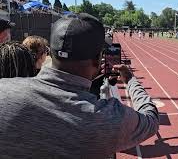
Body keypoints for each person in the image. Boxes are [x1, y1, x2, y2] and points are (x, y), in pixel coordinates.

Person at [0, 13, 159, 158]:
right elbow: (150, 120)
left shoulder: (4, 89)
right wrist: (130, 80)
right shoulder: (106, 118)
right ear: (98, 59)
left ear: (50, 53)